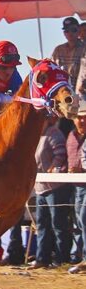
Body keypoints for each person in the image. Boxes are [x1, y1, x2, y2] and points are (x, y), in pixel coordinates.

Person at [31, 116, 71, 269]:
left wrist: (50, 169)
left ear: (48, 120)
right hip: (40, 187)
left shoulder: (54, 133)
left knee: (58, 224)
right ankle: (42, 258)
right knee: (42, 224)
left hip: (55, 187)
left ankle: (62, 259)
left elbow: (60, 154)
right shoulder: (36, 135)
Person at [66, 102, 86, 269]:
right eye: (79, 118)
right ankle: (79, 255)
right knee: (79, 221)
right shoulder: (71, 136)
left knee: (84, 218)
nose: (81, 121)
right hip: (75, 184)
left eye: (84, 118)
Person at [52, 17, 85, 92]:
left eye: (73, 30)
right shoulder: (58, 50)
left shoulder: (84, 48)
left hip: (82, 93)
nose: (70, 33)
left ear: (78, 31)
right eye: (67, 31)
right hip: (63, 93)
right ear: (64, 33)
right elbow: (52, 70)